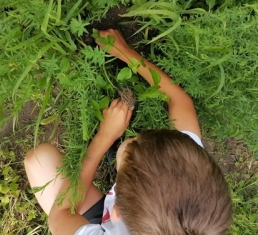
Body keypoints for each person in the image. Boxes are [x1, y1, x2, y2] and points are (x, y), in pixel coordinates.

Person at [24, 29, 232, 235]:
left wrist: (105, 136)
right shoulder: (191, 177)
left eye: (131, 146)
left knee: (40, 161)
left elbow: (60, 215)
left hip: (91, 219)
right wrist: (125, 52)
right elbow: (180, 101)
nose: (134, 137)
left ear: (117, 212)